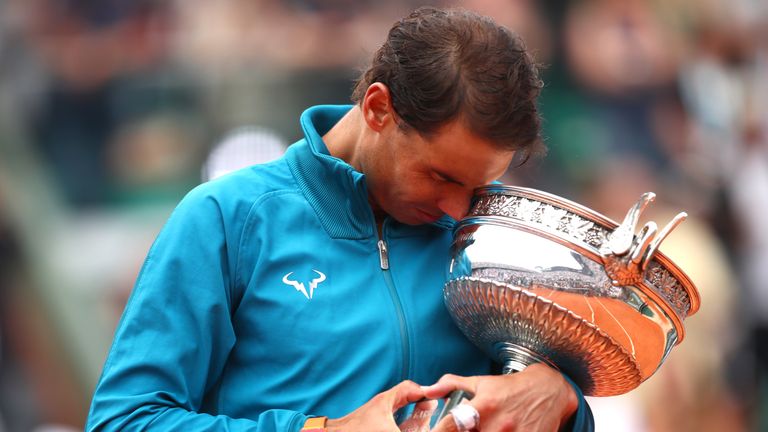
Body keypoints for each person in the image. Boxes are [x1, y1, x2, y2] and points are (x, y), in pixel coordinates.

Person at [87, 7, 594, 431]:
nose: (460, 211)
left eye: (479, 185)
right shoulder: (227, 219)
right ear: (378, 108)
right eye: (441, 177)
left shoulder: (500, 225)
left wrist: (562, 396)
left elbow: (543, 393)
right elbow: (125, 420)